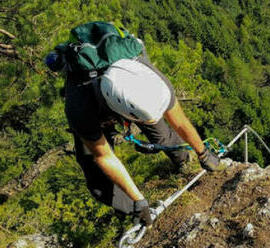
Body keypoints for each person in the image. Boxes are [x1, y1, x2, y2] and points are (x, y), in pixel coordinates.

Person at [46, 39, 222, 228]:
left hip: (127, 99)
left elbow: (179, 122)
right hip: (96, 105)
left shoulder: (153, 82)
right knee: (97, 180)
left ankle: (183, 163)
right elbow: (104, 157)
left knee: (162, 135)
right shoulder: (80, 108)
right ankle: (133, 211)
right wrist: (138, 200)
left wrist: (203, 152)